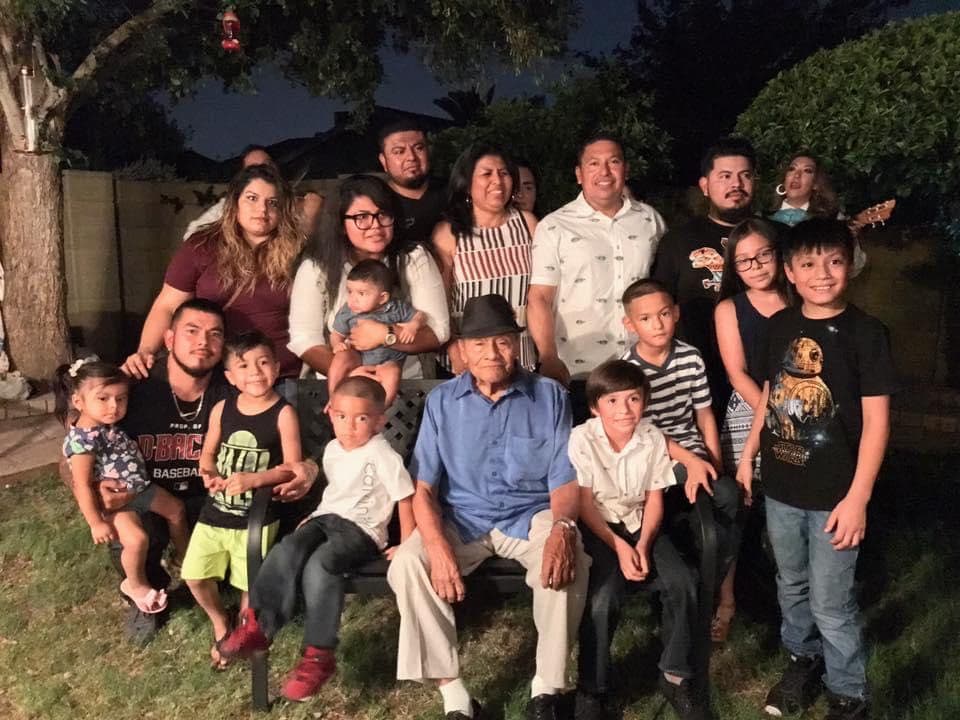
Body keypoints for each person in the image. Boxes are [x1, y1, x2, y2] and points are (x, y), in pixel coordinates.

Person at [386, 294, 590, 720]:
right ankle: (456, 697)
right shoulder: (443, 402)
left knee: (570, 563)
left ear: (516, 344)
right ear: (462, 349)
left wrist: (562, 528)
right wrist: (438, 548)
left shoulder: (549, 396)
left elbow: (565, 478)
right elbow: (423, 488)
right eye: (479, 344)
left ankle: (546, 691)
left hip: (530, 513)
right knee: (408, 562)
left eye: (501, 342)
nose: (491, 353)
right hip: (463, 516)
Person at [737, 219, 896, 720]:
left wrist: (857, 499)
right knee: (791, 584)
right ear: (790, 271)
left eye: (833, 261)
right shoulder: (781, 325)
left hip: (835, 497)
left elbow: (876, 424)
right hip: (782, 487)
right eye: (808, 264)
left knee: (832, 600)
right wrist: (748, 456)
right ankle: (802, 660)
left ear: (849, 265)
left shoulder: (866, 334)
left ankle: (849, 693)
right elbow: (771, 393)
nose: (821, 274)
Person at [88, 299, 318, 643]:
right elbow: (79, 443)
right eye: (191, 331)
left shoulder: (236, 392)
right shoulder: (134, 388)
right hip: (150, 496)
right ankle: (147, 592)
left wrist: (309, 469)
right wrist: (95, 485)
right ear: (168, 339)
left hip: (213, 498)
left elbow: (297, 448)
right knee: (136, 529)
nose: (203, 342)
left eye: (214, 334)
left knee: (275, 513)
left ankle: (245, 594)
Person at [217, 375, 415, 701]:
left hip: (361, 531)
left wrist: (406, 543)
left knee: (321, 566)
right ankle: (259, 626)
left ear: (379, 421)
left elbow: (405, 497)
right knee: (288, 548)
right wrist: (315, 515)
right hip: (326, 518)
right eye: (341, 417)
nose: (349, 426)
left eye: (361, 418)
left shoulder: (383, 456)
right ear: (331, 413)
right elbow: (338, 491)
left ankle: (318, 657)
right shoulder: (334, 449)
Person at [571, 361, 705, 720]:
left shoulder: (651, 436)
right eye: (612, 402)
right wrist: (620, 547)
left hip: (640, 523)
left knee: (684, 582)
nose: (624, 410)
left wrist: (643, 544)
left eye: (633, 399)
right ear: (596, 407)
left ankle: (675, 675)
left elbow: (655, 498)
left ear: (644, 402)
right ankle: (591, 687)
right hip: (600, 526)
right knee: (602, 598)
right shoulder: (582, 438)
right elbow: (584, 504)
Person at [619, 279, 741, 615]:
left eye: (663, 314)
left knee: (728, 495)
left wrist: (712, 462)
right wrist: (690, 461)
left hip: (690, 449)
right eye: (645, 319)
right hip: (652, 455)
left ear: (675, 313)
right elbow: (640, 430)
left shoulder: (690, 357)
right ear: (629, 325)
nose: (657, 324)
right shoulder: (627, 369)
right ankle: (677, 582)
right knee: (682, 504)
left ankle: (711, 578)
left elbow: (704, 415)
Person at [527, 132, 667, 423]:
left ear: (625, 169)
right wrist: (549, 357)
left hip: (641, 368)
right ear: (579, 174)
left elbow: (660, 289)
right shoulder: (554, 226)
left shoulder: (650, 220)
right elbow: (539, 297)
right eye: (593, 164)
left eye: (613, 162)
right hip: (580, 373)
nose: (604, 172)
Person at [183, 330, 302, 669]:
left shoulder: (283, 413)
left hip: (256, 517)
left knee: (249, 584)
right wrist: (207, 473)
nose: (255, 372)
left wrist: (255, 479)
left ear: (277, 368)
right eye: (244, 365)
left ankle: (245, 632)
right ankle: (220, 621)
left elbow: (292, 468)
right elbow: (207, 454)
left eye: (263, 363)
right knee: (194, 575)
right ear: (230, 376)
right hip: (215, 513)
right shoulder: (222, 408)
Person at [125, 163, 305, 380]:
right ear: (235, 202)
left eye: (272, 202)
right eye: (252, 198)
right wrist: (145, 351)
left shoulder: (299, 252)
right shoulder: (202, 246)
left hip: (278, 374)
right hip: (215, 374)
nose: (262, 210)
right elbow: (168, 305)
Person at [56, 357, 189, 615]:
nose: (113, 407)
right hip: (119, 502)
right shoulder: (83, 441)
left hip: (140, 488)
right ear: (78, 401)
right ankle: (135, 584)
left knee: (176, 510)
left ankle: (185, 559)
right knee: (137, 540)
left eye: (121, 399)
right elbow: (81, 484)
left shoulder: (106, 426)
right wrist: (96, 521)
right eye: (103, 399)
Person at [710, 218, 789, 642]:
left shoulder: (800, 299)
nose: (756, 266)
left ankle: (789, 603)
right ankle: (726, 600)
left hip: (803, 409)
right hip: (750, 407)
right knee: (737, 511)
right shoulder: (730, 309)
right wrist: (773, 412)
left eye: (764, 254)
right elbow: (736, 372)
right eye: (744, 261)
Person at [288, 174, 449, 379]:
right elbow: (304, 338)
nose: (375, 225)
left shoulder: (414, 258)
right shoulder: (316, 267)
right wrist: (352, 374)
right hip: (341, 385)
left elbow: (438, 331)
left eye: (383, 215)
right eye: (361, 217)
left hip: (404, 384)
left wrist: (386, 335)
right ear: (341, 224)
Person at [651, 137, 758, 419]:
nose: (736, 184)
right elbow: (660, 304)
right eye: (724, 176)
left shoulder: (775, 236)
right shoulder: (678, 241)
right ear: (705, 186)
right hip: (699, 377)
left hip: (764, 372)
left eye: (744, 175)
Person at [432, 144, 538, 373]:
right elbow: (440, 300)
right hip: (468, 355)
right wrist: (454, 349)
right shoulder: (449, 233)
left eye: (504, 173)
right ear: (467, 183)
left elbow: (540, 293)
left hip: (519, 351)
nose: (497, 181)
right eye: (486, 174)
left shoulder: (528, 224)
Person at [328, 259, 425, 404]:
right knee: (340, 358)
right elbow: (336, 334)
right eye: (350, 291)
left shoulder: (395, 308)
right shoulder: (347, 311)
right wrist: (337, 345)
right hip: (358, 357)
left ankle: (381, 409)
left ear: (382, 298)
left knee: (393, 372)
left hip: (387, 361)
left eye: (361, 293)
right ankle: (333, 398)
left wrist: (412, 326)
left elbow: (420, 316)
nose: (352, 299)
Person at [182, 144, 324, 241]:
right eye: (254, 169)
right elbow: (192, 235)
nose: (263, 173)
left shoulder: (296, 201)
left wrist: (310, 217)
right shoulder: (230, 205)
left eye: (267, 166)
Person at [769, 153, 868, 276]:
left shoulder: (832, 219)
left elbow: (854, 269)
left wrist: (850, 240)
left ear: (816, 184)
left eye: (807, 171)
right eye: (792, 169)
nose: (797, 175)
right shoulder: (763, 218)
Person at [378, 120, 447, 250]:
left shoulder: (453, 192)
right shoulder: (378, 203)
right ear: (383, 160)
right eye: (399, 151)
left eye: (419, 148)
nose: (411, 157)